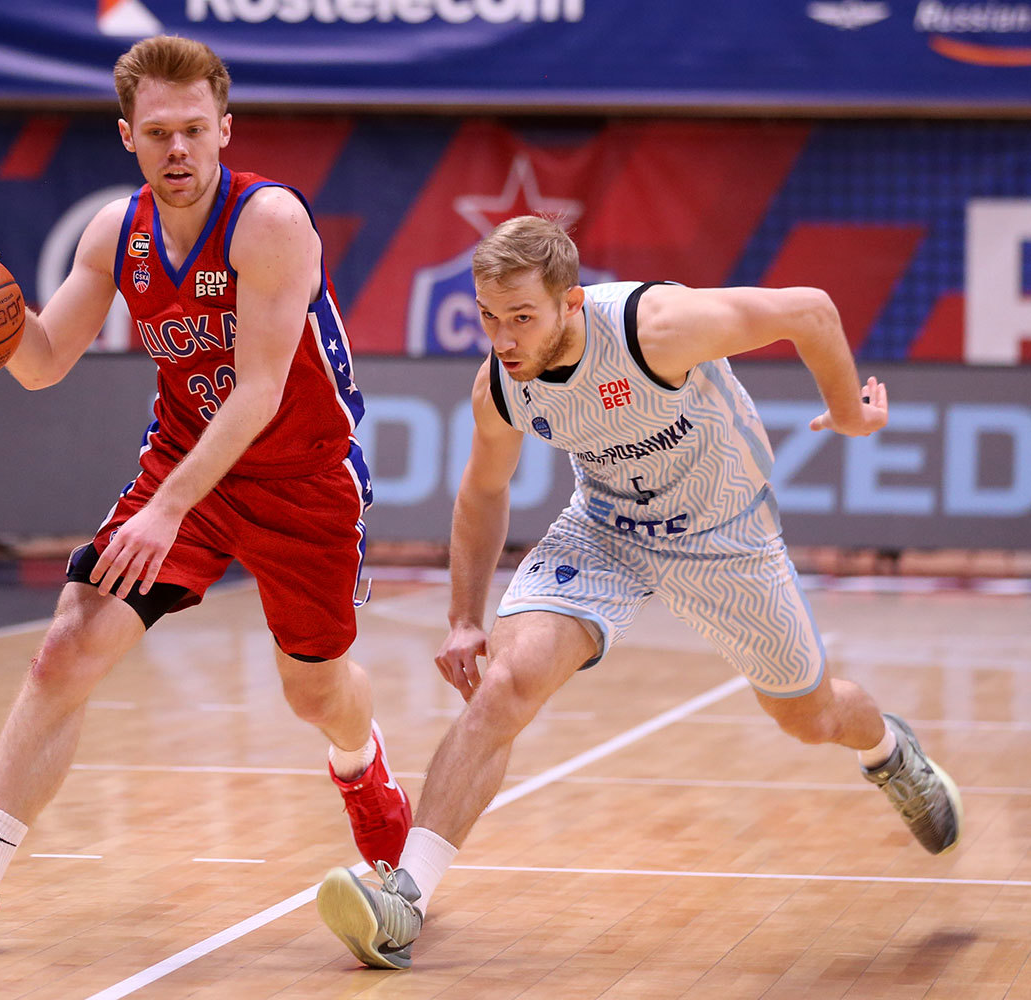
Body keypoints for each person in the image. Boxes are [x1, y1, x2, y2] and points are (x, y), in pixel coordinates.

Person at [0, 35, 412, 952]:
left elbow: (259, 392)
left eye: (194, 129)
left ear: (225, 128)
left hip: (302, 477)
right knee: (67, 647)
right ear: (128, 137)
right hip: (187, 461)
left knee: (314, 692)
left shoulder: (270, 221)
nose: (178, 149)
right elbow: (43, 363)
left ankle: (363, 768)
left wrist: (166, 508)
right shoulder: (117, 233)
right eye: (158, 133)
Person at [316, 215, 964, 970]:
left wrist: (849, 412)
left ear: (570, 302)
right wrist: (463, 617)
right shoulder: (501, 385)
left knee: (810, 716)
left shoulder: (654, 328)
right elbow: (483, 490)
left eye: (522, 317)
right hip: (605, 530)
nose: (503, 338)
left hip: (723, 532)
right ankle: (405, 900)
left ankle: (889, 751)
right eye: (489, 316)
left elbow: (810, 309)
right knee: (507, 682)